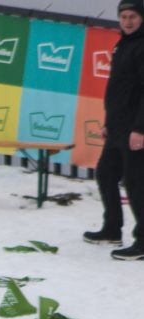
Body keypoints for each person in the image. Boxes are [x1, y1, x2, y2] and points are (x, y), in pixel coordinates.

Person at [83, 0, 144, 260]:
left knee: (136, 185)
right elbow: (118, 90)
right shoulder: (123, 44)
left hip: (135, 129)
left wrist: (140, 129)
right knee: (106, 173)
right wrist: (109, 123)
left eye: (133, 16)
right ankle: (111, 228)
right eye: (124, 16)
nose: (128, 21)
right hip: (118, 126)